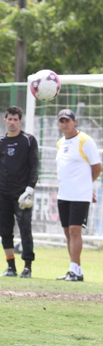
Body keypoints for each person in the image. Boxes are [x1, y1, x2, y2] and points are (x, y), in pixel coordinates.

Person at [0, 106, 38, 278]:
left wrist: (29, 189)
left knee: (25, 229)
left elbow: (34, 167)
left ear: (20, 121)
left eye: (16, 119)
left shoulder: (29, 140)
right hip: (3, 193)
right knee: (5, 231)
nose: (13, 122)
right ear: (5, 120)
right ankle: (11, 267)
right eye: (10, 119)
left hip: (22, 193)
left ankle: (28, 267)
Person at [54, 109, 101, 282]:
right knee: (67, 232)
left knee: (75, 230)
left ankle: (75, 269)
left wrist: (88, 186)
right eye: (61, 121)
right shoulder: (60, 143)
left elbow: (97, 167)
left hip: (80, 195)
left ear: (75, 122)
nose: (64, 124)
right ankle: (74, 269)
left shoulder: (85, 141)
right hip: (63, 194)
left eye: (68, 121)